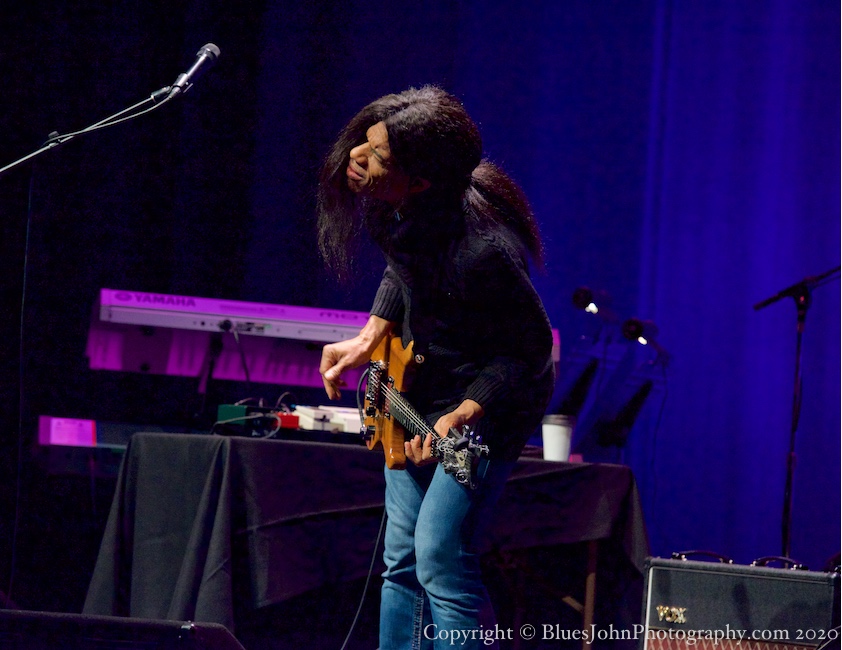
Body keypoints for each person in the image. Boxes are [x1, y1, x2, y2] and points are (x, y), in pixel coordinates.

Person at [317, 86, 555, 649]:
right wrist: (371, 332)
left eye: (374, 156)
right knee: (400, 560)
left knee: (441, 559)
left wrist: (467, 411)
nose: (357, 156)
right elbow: (405, 272)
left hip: (488, 406)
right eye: (366, 142)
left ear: (419, 181)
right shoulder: (394, 209)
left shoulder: (484, 250)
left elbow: (530, 351)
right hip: (418, 389)